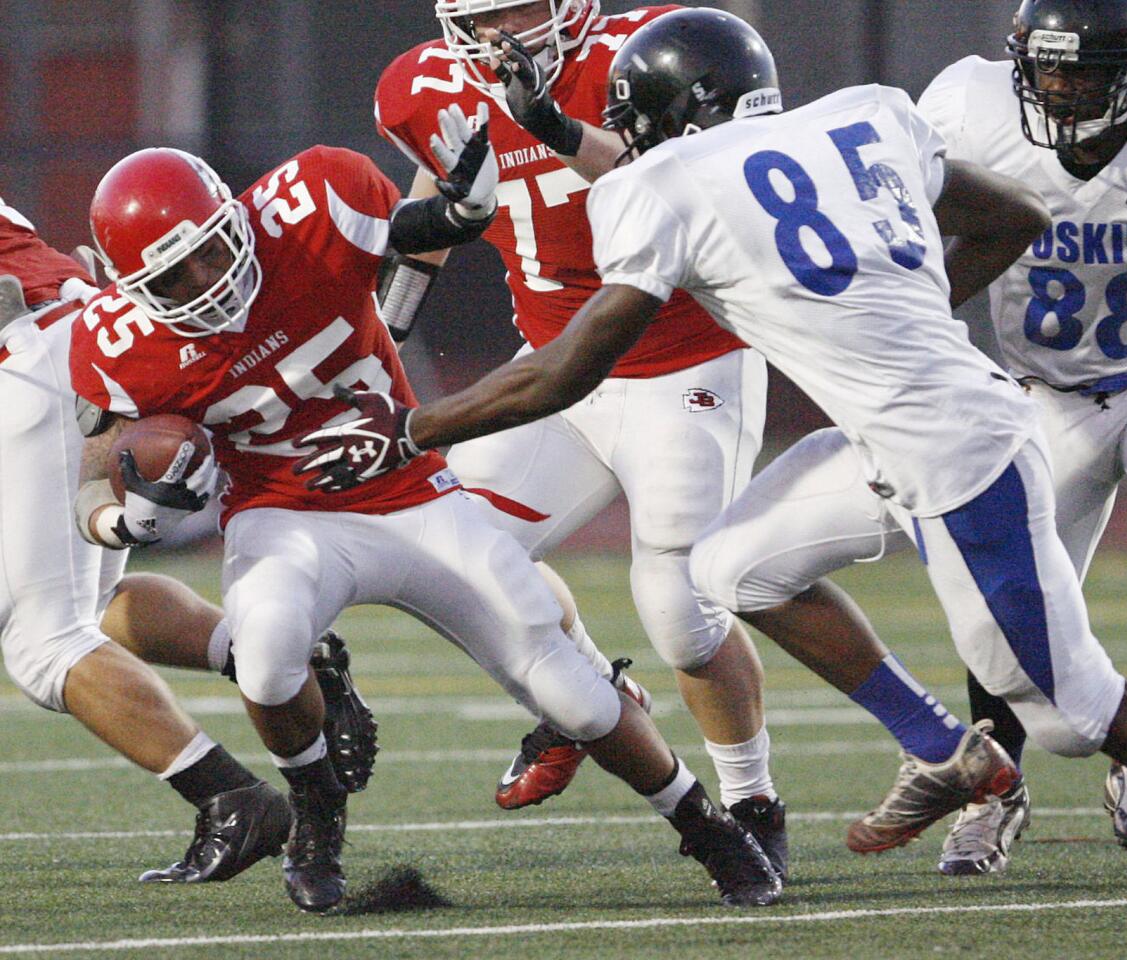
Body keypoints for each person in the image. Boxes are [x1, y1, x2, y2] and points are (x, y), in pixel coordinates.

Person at [302, 7, 1127, 921]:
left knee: (1073, 716)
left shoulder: (664, 184)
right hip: (908, 428)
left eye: (635, 123)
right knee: (728, 569)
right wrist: (910, 315)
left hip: (958, 452)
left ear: (671, 118)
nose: (623, 141)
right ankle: (942, 746)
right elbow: (1010, 216)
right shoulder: (868, 114)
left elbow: (562, 375)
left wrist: (411, 431)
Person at [655, 0, 1127, 878]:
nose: (1059, 86)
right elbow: (914, 225)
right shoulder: (964, 107)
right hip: (1026, 389)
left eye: (1082, 68)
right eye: (1043, 66)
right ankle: (972, 774)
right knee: (962, 614)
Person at [69, 136, 780, 912]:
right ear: (133, 288)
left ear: (232, 217)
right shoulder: (117, 341)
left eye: (208, 253)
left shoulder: (314, 199)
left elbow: (411, 230)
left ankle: (707, 827)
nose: (204, 282)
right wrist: (116, 520)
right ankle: (316, 812)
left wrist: (455, 213)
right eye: (172, 277)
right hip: (285, 511)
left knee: (572, 694)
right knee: (267, 650)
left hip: (413, 491)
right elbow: (91, 471)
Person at [372, 0, 785, 871]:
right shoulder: (430, 83)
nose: (503, 31)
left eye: (521, 8)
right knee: (454, 558)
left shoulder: (654, 47)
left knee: (682, 611)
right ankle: (595, 692)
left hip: (686, 358)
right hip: (556, 369)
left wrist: (554, 127)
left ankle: (753, 800)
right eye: (483, 16)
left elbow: (698, 176)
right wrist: (382, 343)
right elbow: (437, 213)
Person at [0, 198, 313, 885]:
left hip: (31, 364)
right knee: (92, 597)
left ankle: (231, 797)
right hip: (67, 339)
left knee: (44, 640)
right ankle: (272, 652)